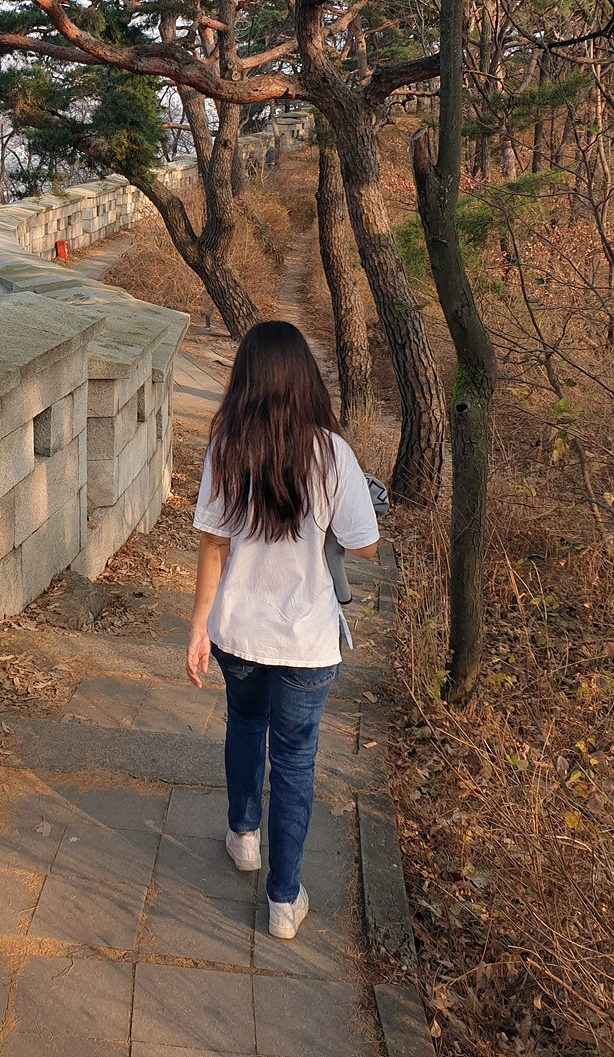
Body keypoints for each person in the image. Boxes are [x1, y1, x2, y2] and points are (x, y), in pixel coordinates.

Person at [185, 320, 380, 939]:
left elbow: (213, 545)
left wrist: (197, 627)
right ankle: (283, 900)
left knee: (244, 724)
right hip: (307, 641)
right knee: (295, 759)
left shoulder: (227, 447)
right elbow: (366, 545)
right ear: (305, 379)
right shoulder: (333, 454)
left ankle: (243, 836)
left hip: (238, 631)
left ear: (245, 378)